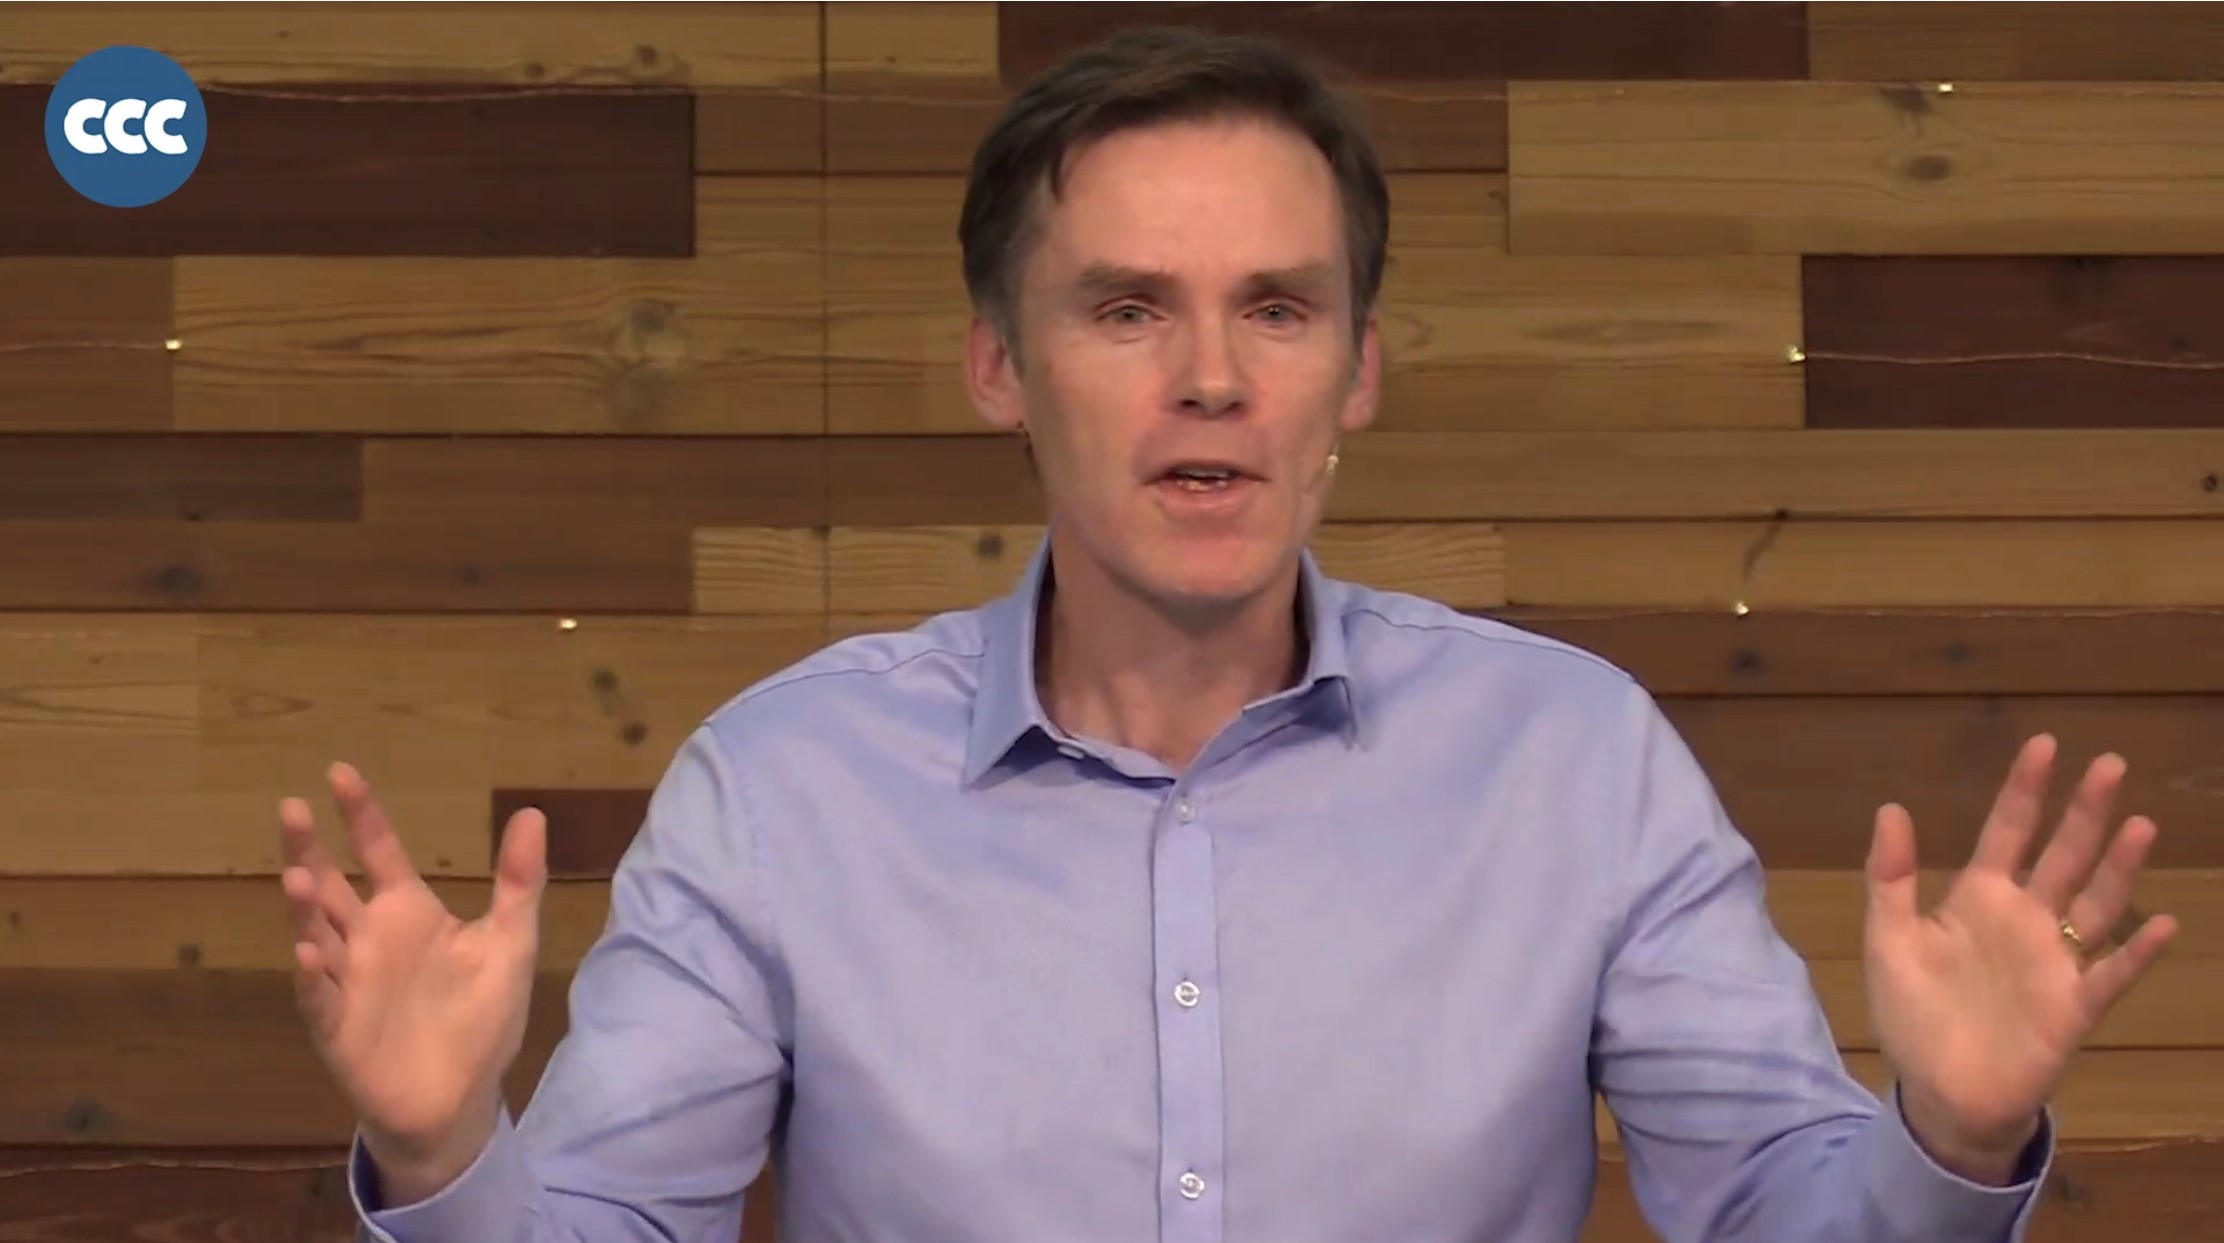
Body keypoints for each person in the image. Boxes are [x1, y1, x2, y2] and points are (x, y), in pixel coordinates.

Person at [278, 26, 2179, 1243]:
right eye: (1126, 310)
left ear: (1359, 371)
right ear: (997, 368)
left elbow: (1782, 1213)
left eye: (1277, 308)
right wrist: (446, 1160)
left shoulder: (1573, 764)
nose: (1210, 377)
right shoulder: (783, 788)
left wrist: (1948, 1133)